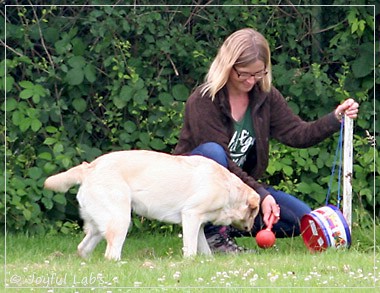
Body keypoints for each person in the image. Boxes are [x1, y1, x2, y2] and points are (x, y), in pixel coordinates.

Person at [173, 28, 359, 253]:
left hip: (239, 188)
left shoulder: (265, 96)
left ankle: (220, 227)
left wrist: (335, 118)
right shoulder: (204, 100)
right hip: (198, 187)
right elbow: (222, 166)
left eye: (258, 73)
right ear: (227, 67)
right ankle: (213, 234)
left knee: (298, 218)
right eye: (244, 74)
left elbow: (297, 133)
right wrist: (260, 195)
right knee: (213, 153)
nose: (252, 81)